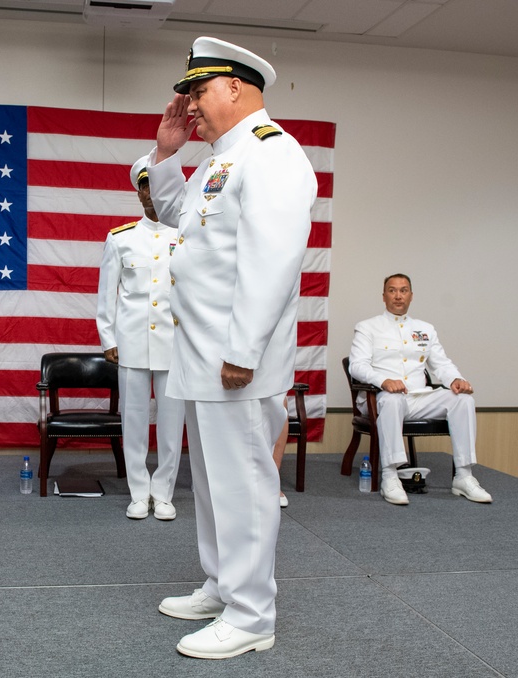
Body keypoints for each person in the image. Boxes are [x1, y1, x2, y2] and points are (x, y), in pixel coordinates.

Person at [147, 37, 317, 659]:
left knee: (244, 482)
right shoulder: (223, 158)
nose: (190, 102)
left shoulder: (273, 154)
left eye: (198, 90)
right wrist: (167, 154)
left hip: (235, 359)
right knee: (216, 482)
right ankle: (223, 583)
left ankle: (252, 614)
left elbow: (273, 262)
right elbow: (174, 218)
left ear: (236, 88)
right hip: (203, 353)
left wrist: (244, 350)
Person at [349, 274, 492, 506]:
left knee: (463, 400)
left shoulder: (425, 329)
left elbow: (441, 364)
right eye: (392, 290)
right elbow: (357, 366)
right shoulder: (367, 327)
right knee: (392, 399)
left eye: (403, 290)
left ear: (411, 296)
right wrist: (383, 380)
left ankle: (464, 477)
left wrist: (456, 379)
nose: (398, 295)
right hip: (382, 398)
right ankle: (390, 476)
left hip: (419, 398)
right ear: (383, 296)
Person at [95, 156, 185, 521]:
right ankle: (138, 491)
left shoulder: (185, 235)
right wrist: (107, 337)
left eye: (157, 185)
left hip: (175, 342)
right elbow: (107, 293)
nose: (151, 193)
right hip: (131, 341)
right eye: (145, 185)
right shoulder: (121, 239)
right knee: (132, 421)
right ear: (138, 191)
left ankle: (163, 492)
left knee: (170, 422)